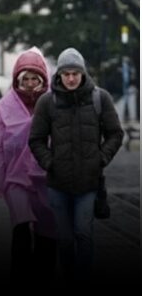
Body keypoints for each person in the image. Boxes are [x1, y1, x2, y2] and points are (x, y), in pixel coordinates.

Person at [29, 48, 123, 283]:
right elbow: (36, 139)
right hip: (57, 183)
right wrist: (49, 163)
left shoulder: (100, 98)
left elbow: (115, 134)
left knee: (83, 233)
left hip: (88, 183)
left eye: (75, 73)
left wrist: (101, 159)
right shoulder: (46, 101)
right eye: (66, 73)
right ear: (59, 75)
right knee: (65, 238)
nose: (71, 78)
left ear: (83, 73)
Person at [0, 48, 57, 283]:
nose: (28, 84)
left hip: (46, 178)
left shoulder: (53, 102)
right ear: (18, 78)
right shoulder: (5, 105)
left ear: (42, 79)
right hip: (15, 178)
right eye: (24, 79)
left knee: (47, 230)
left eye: (33, 79)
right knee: (21, 224)